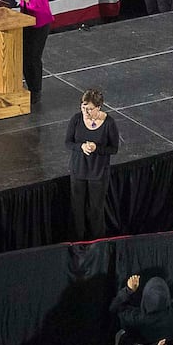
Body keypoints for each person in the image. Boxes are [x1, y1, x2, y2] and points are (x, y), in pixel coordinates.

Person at [65, 89, 118, 241]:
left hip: (98, 173)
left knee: (96, 210)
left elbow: (113, 149)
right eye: (83, 108)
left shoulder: (109, 123)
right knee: (77, 210)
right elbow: (68, 143)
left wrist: (97, 148)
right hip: (78, 171)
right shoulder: (76, 119)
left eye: (89, 109)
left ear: (99, 107)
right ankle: (77, 243)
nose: (86, 112)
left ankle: (97, 244)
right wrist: (81, 146)